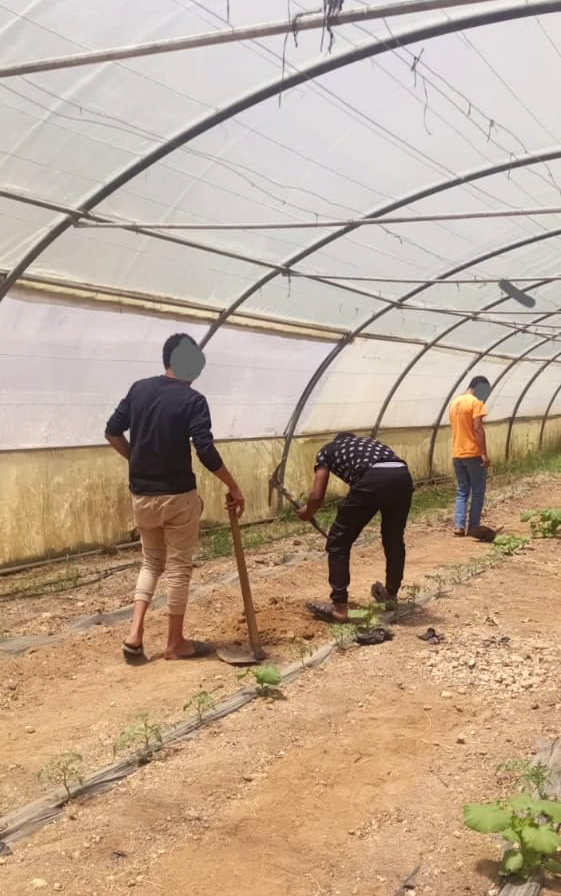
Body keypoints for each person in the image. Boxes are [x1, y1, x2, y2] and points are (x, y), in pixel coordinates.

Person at [105, 332, 244, 662]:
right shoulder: (193, 400)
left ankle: (134, 635)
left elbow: (112, 431)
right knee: (179, 567)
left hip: (142, 495)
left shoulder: (139, 389)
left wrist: (137, 459)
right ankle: (175, 643)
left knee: (152, 562)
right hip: (178, 497)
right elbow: (205, 449)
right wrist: (233, 486)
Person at [297, 432, 414, 622]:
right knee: (393, 538)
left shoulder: (327, 450)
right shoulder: (369, 444)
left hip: (373, 477)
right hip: (402, 475)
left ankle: (339, 608)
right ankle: (390, 595)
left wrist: (307, 512)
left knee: (338, 542)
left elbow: (317, 496)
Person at [448, 375, 491, 537]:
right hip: (473, 453)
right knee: (478, 491)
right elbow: (477, 428)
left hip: (457, 453)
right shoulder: (475, 403)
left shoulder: (454, 403)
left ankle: (459, 526)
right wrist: (483, 453)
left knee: (462, 491)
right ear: (480, 387)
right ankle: (473, 527)